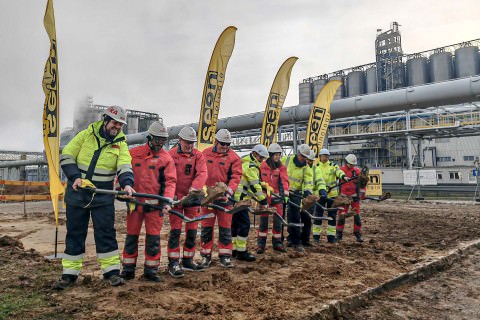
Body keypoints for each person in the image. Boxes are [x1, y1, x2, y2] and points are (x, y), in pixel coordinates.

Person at [56, 106, 135, 290]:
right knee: (75, 233)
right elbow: (67, 156)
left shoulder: (121, 144)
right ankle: (69, 275)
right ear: (105, 120)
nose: (117, 127)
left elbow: (125, 166)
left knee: (106, 233)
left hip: (103, 196)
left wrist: (127, 184)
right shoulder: (85, 135)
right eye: (115, 123)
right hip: (78, 193)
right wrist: (75, 177)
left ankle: (112, 273)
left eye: (121, 124)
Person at [120, 121, 176, 282]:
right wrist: (120, 186)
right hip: (135, 204)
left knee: (153, 238)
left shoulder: (166, 159)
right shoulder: (134, 153)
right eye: (157, 139)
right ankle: (128, 269)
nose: (160, 143)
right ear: (149, 137)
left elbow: (170, 182)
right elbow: (123, 172)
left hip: (155, 206)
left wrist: (167, 201)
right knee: (131, 236)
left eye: (162, 140)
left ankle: (151, 270)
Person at [167, 126, 207, 277]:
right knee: (175, 231)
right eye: (187, 142)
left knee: (192, 230)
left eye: (192, 142)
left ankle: (188, 260)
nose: (190, 145)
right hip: (176, 200)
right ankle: (173, 263)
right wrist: (172, 196)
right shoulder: (170, 155)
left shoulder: (198, 156)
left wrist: (194, 189)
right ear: (179, 140)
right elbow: (167, 176)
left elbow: (202, 173)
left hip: (192, 199)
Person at [199, 129, 242, 268]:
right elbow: (199, 172)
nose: (225, 146)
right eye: (222, 143)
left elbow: (235, 177)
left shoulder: (234, 157)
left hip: (224, 200)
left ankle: (225, 256)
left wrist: (229, 193)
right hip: (207, 199)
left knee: (225, 228)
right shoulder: (205, 154)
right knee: (206, 228)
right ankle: (206, 256)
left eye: (227, 144)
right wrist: (202, 190)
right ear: (216, 141)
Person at [232, 144, 269, 261]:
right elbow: (254, 185)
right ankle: (241, 252)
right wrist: (263, 200)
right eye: (261, 158)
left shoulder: (244, 162)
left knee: (235, 225)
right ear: (255, 154)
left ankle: (233, 250)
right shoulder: (251, 165)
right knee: (244, 224)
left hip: (234, 198)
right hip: (240, 199)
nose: (262, 160)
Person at [282, 144, 314, 252]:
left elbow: (308, 181)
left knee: (299, 216)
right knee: (288, 216)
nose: (304, 159)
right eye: (302, 156)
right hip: (284, 192)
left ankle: (300, 241)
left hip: (296, 194)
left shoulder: (306, 168)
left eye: (306, 157)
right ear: (298, 153)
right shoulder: (286, 160)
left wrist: (307, 191)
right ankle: (291, 240)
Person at [258, 143, 289, 253]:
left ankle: (277, 243)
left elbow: (284, 181)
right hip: (264, 198)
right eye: (275, 155)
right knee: (263, 222)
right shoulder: (262, 166)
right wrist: (261, 196)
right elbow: (258, 181)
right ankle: (261, 245)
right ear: (270, 155)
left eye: (279, 155)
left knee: (277, 222)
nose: (277, 157)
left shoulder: (281, 167)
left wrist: (285, 194)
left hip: (277, 198)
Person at [312, 148, 347, 243]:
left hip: (332, 196)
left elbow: (339, 172)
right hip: (320, 195)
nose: (325, 158)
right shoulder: (315, 166)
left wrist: (343, 176)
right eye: (324, 156)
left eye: (327, 156)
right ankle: (316, 236)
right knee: (318, 215)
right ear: (320, 157)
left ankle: (331, 237)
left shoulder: (333, 166)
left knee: (332, 216)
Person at [336, 153, 365, 243]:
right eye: (351, 164)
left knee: (357, 217)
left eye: (353, 164)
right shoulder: (341, 170)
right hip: (343, 197)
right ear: (346, 162)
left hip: (354, 197)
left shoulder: (357, 171)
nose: (352, 165)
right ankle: (339, 235)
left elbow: (362, 184)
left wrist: (362, 194)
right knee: (342, 216)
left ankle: (357, 234)